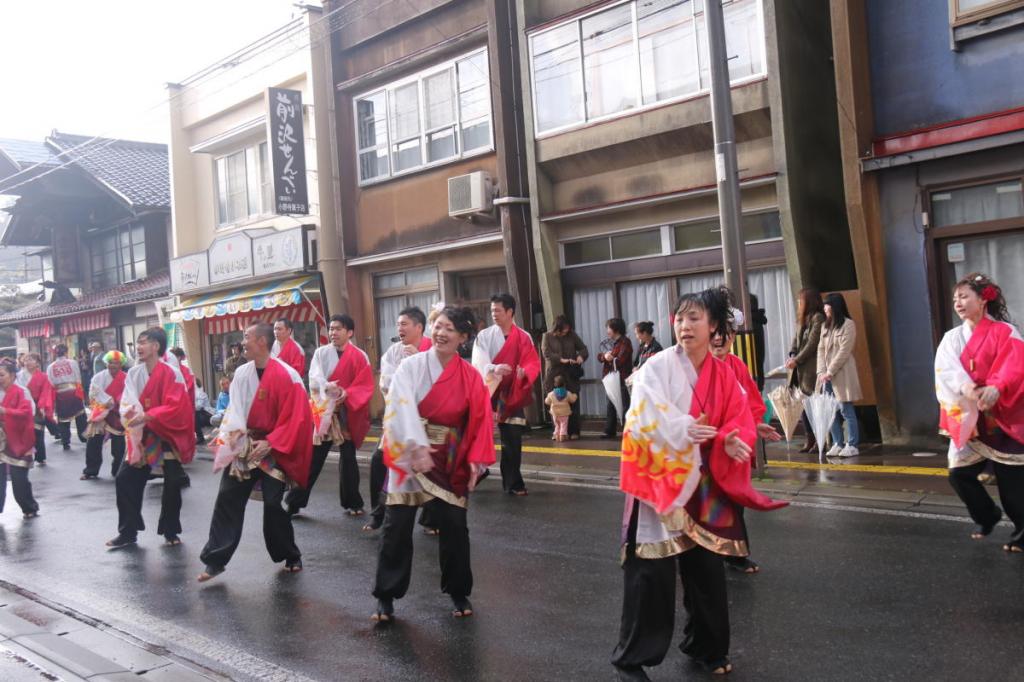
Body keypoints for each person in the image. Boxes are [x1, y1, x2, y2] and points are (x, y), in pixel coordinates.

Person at [611, 287, 787, 679]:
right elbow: (640, 417)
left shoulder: (724, 373)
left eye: (694, 318)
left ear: (713, 327)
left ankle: (706, 645)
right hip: (661, 476)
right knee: (652, 573)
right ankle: (631, 657)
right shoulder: (656, 367)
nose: (684, 326)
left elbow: (736, 416)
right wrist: (685, 428)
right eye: (679, 318)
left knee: (706, 568)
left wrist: (732, 437)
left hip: (704, 481)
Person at [373, 306, 495, 622]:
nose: (441, 333)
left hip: (450, 453)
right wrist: (415, 444)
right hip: (409, 448)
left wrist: (475, 462)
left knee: (455, 524)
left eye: (450, 329)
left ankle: (458, 589)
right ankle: (386, 594)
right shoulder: (411, 366)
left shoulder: (470, 376)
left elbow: (479, 420)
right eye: (438, 326)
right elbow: (398, 406)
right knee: (397, 524)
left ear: (463, 338)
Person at [198, 322, 312, 581]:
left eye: (246, 337)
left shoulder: (288, 376)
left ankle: (290, 553)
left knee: (273, 504)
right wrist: (231, 437)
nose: (242, 342)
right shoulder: (242, 373)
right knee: (228, 495)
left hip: (275, 446)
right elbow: (236, 409)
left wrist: (271, 442)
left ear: (262, 341)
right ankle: (215, 560)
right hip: (247, 442)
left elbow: (297, 418)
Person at [935, 272, 1024, 553]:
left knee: (1012, 483)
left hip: (1004, 414)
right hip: (971, 415)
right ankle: (987, 516)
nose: (958, 303)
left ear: (982, 300)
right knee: (958, 474)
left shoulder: (1006, 331)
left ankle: (1023, 533)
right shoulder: (952, 338)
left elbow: (1015, 364)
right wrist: (970, 389)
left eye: (964, 296)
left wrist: (996, 387)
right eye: (954, 299)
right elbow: (945, 370)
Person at [106, 328, 195, 549]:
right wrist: (131, 413)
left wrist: (149, 415)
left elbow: (177, 406)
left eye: (143, 342)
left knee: (173, 482)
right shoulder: (135, 374)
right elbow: (127, 400)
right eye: (138, 342)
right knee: (124, 479)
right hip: (143, 434)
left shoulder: (172, 373)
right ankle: (128, 531)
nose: (139, 347)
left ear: (156, 346)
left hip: (167, 433)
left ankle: (170, 529)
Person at [711, 309, 782, 575]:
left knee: (734, 503)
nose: (720, 339)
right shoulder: (693, 367)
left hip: (734, 449)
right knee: (702, 505)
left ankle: (734, 554)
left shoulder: (737, 365)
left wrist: (756, 424)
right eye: (715, 332)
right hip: (705, 451)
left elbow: (750, 404)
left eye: (726, 333)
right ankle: (694, 557)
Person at [286, 314, 374, 516]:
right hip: (325, 411)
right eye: (331, 329)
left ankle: (353, 502)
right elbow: (314, 379)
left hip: (346, 412)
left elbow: (365, 385)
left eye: (338, 329)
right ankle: (294, 501)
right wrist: (327, 388)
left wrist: (345, 394)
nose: (333, 332)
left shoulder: (360, 356)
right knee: (314, 458)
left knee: (349, 458)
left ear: (349, 332)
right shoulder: (321, 353)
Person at [364, 306, 432, 532]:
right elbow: (386, 383)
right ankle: (378, 513)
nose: (399, 328)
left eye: (404, 324)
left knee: (433, 469)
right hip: (401, 419)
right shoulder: (393, 352)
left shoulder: (432, 349)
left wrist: (420, 360)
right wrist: (407, 366)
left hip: (429, 421)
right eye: (398, 324)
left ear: (419, 327)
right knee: (378, 461)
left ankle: (431, 518)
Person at [472, 293, 541, 496]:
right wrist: (493, 368)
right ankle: (478, 471)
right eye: (492, 310)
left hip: (512, 393)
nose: (494, 314)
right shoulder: (484, 336)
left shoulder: (524, 336)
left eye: (498, 310)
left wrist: (525, 372)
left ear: (510, 312)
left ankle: (513, 482)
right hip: (489, 391)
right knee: (479, 436)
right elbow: (479, 361)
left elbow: (531, 361)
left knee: (512, 438)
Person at [817, 292, 862, 457]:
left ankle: (852, 444)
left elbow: (844, 351)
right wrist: (822, 372)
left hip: (842, 373)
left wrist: (830, 371)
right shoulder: (825, 326)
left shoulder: (848, 325)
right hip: (826, 376)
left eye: (826, 304)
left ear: (834, 305)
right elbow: (820, 350)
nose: (824, 308)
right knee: (830, 410)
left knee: (846, 409)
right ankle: (837, 442)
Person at [0, 358, 41, 519]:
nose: (0, 378)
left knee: (19, 478)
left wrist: (5, 412)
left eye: (2, 375)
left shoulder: (22, 391)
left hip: (19, 438)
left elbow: (29, 412)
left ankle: (29, 506)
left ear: (12, 376)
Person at [786, 288, 825, 453]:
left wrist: (797, 359)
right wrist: (792, 353)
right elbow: (796, 339)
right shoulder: (802, 319)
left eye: (801, 300)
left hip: (811, 366)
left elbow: (812, 343)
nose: (799, 303)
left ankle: (819, 439)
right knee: (802, 405)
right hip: (799, 368)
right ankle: (809, 438)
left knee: (813, 403)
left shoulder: (818, 317)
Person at [541, 315, 588, 440]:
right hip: (553, 374)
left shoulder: (572, 335)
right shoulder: (547, 336)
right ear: (557, 327)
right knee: (554, 402)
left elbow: (583, 348)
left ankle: (574, 431)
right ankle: (557, 431)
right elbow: (546, 352)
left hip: (570, 373)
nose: (566, 330)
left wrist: (580, 357)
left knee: (573, 400)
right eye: (564, 328)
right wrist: (561, 359)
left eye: (568, 328)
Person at [82, 351, 127, 480]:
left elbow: (129, 395)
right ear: (106, 363)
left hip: (118, 414)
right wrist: (109, 402)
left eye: (116, 363)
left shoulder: (126, 377)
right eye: (110, 362)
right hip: (101, 414)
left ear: (121, 364)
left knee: (119, 447)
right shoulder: (98, 377)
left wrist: (118, 405)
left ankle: (117, 469)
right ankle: (90, 470)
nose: (113, 365)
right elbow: (94, 393)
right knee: (93, 442)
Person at [47, 344, 88, 450]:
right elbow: (78, 378)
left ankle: (65, 441)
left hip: (60, 393)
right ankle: (84, 437)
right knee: (80, 416)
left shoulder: (51, 367)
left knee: (63, 419)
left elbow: (50, 383)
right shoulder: (72, 363)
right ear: (66, 352)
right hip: (73, 391)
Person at [599, 317, 633, 439]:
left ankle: (627, 431)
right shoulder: (613, 343)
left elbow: (620, 360)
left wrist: (609, 357)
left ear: (615, 329)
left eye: (608, 328)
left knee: (624, 405)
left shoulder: (625, 342)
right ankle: (609, 430)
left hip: (622, 378)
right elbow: (600, 357)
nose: (607, 331)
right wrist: (605, 356)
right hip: (612, 379)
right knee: (611, 404)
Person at [20, 353, 54, 465]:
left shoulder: (43, 376)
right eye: (26, 360)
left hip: (38, 406)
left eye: (31, 360)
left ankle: (40, 456)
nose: (28, 362)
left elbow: (45, 392)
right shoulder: (18, 376)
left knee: (38, 432)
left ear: (37, 363)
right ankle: (25, 455)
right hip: (22, 406)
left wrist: (42, 406)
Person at [545, 375, 577, 443]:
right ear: (564, 384)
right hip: (564, 413)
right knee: (563, 425)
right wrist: (575, 395)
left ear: (555, 384)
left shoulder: (551, 394)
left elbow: (547, 402)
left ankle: (556, 436)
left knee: (557, 426)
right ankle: (562, 437)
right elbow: (572, 400)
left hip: (555, 414)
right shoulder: (567, 393)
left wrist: (547, 399)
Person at [194, 379, 216, 445]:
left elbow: (198, 407)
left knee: (195, 414)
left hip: (207, 416)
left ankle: (200, 436)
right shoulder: (195, 393)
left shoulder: (200, 394)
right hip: (202, 415)